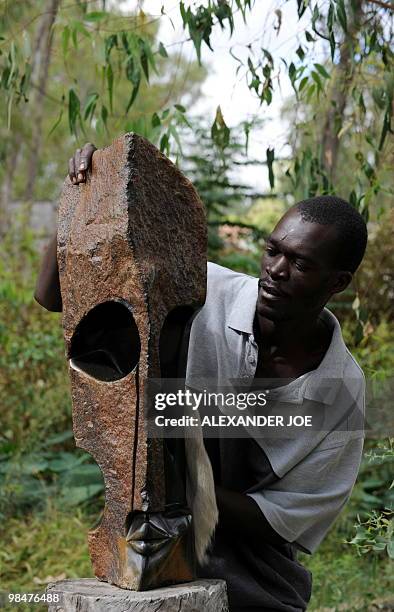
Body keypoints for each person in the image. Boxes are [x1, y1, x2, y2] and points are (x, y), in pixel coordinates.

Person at [35, 143, 368, 612]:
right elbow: (57, 298)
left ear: (338, 282)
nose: (275, 271)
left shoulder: (341, 391)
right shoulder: (199, 291)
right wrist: (77, 202)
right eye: (273, 251)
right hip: (152, 552)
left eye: (300, 264)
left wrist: (180, 485)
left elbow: (283, 520)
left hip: (257, 578)